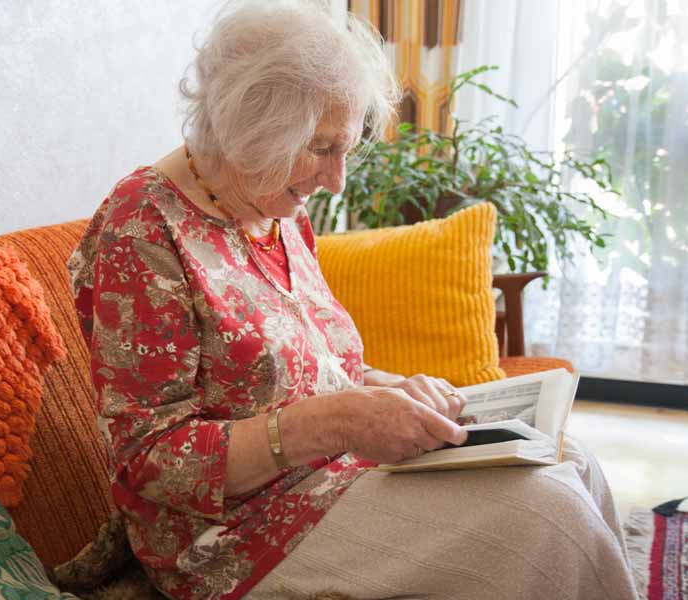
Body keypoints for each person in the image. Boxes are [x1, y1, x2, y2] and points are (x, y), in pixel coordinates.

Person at [67, 2, 638, 598]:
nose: (337, 179)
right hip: (232, 535)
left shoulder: (276, 208)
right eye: (320, 148)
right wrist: (340, 419)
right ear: (246, 127)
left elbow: (306, 365)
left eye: (346, 147)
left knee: (572, 462)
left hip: (336, 473)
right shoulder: (143, 230)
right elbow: (150, 460)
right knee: (552, 518)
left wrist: (388, 389)